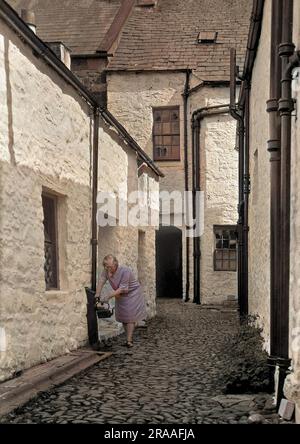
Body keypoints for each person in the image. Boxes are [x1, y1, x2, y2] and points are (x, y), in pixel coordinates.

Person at [95, 255, 146, 348]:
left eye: (110, 267)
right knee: (123, 316)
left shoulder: (125, 271)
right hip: (120, 294)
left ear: (116, 264)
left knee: (130, 317)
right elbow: (101, 280)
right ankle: (128, 338)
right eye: (106, 266)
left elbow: (123, 288)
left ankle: (129, 341)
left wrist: (109, 295)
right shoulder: (106, 270)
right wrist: (97, 294)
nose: (108, 268)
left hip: (132, 293)